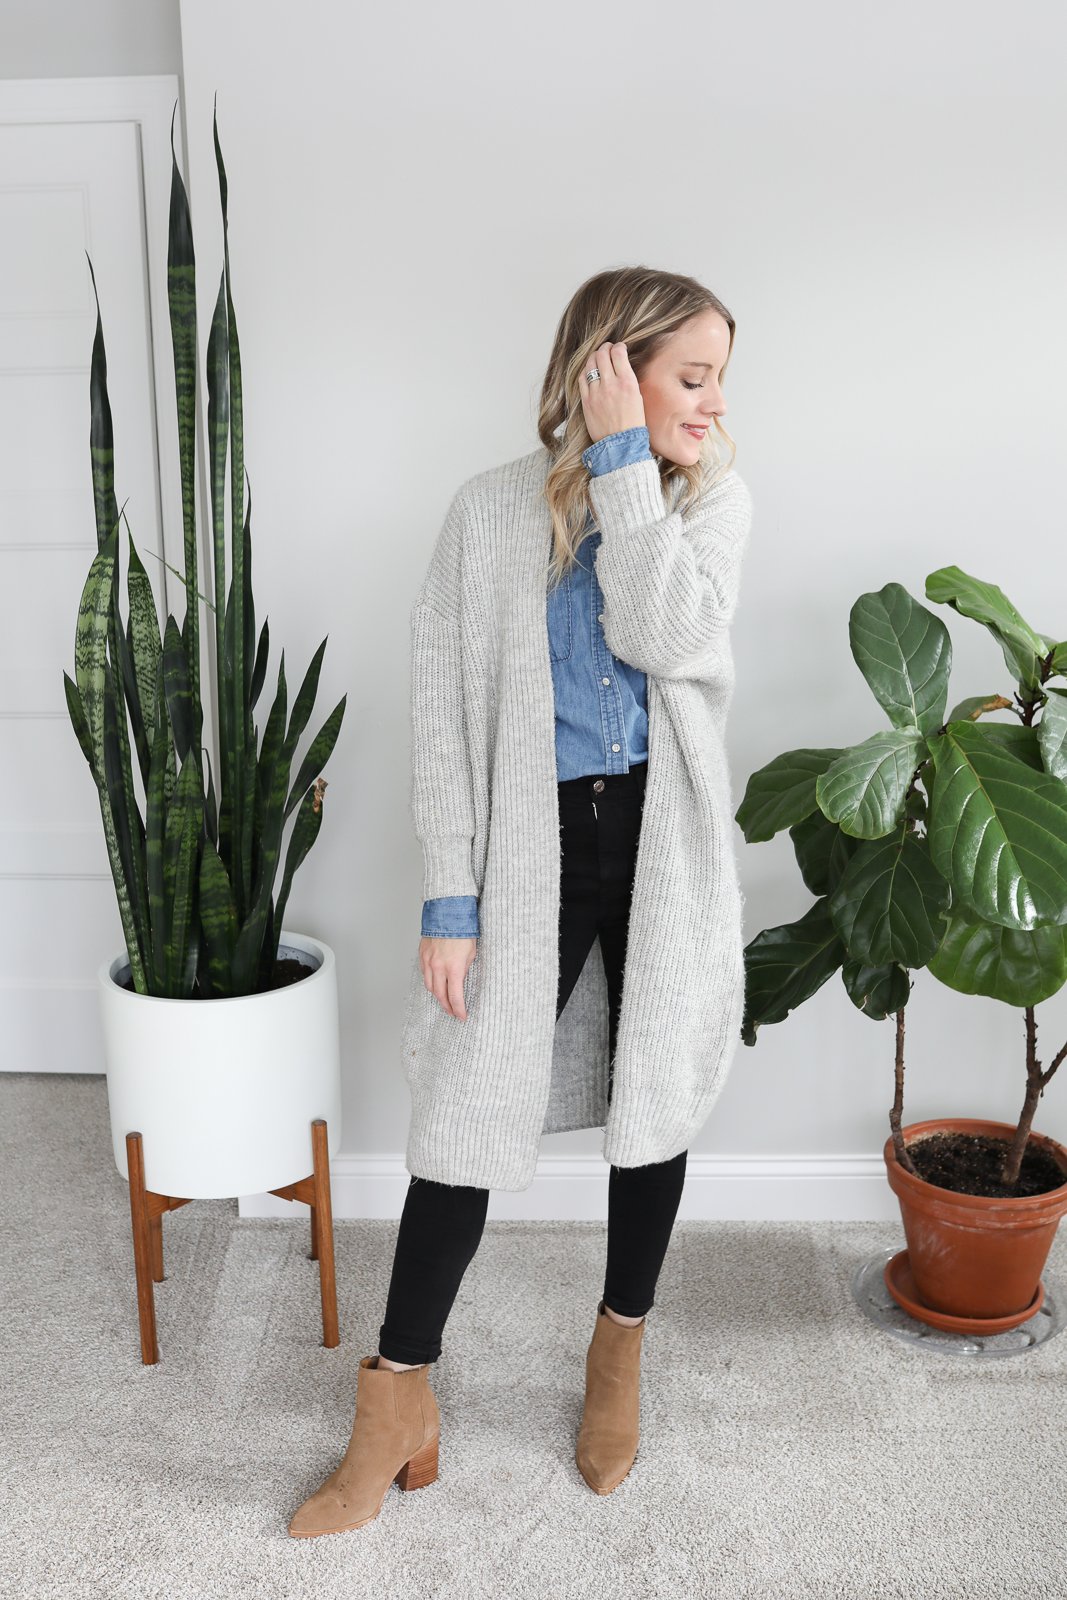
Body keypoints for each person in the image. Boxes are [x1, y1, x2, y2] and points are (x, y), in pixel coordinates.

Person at [289, 265, 753, 1538]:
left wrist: (622, 473)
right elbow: (438, 708)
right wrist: (450, 893)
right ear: (609, 366)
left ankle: (618, 1355)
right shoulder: (487, 511)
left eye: (720, 378)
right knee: (462, 1113)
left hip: (656, 850)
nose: (712, 406)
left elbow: (668, 635)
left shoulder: (706, 504)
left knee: (648, 1101)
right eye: (690, 376)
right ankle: (395, 1406)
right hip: (525, 849)